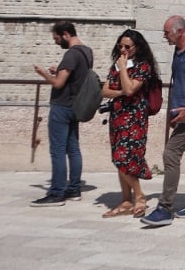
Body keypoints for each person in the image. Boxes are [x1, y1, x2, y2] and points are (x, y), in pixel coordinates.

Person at [141, 15, 185, 225]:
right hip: (181, 113)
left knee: (171, 153)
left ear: (179, 31)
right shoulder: (178, 51)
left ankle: (165, 208)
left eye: (167, 32)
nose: (164, 37)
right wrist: (173, 112)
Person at [31, 21, 93, 206]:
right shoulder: (87, 52)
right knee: (73, 149)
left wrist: (43, 73)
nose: (57, 42)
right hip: (75, 106)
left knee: (57, 151)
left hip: (62, 107)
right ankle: (74, 189)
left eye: (57, 39)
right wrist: (57, 71)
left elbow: (58, 84)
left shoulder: (71, 54)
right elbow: (75, 77)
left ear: (66, 34)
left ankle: (56, 193)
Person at [99, 29, 158, 218]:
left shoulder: (143, 66)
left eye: (127, 47)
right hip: (117, 117)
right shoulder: (116, 65)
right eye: (120, 46)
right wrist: (120, 92)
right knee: (119, 158)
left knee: (124, 157)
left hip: (134, 118)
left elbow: (130, 89)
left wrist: (123, 69)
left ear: (137, 47)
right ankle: (126, 200)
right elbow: (105, 91)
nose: (123, 50)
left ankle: (139, 196)